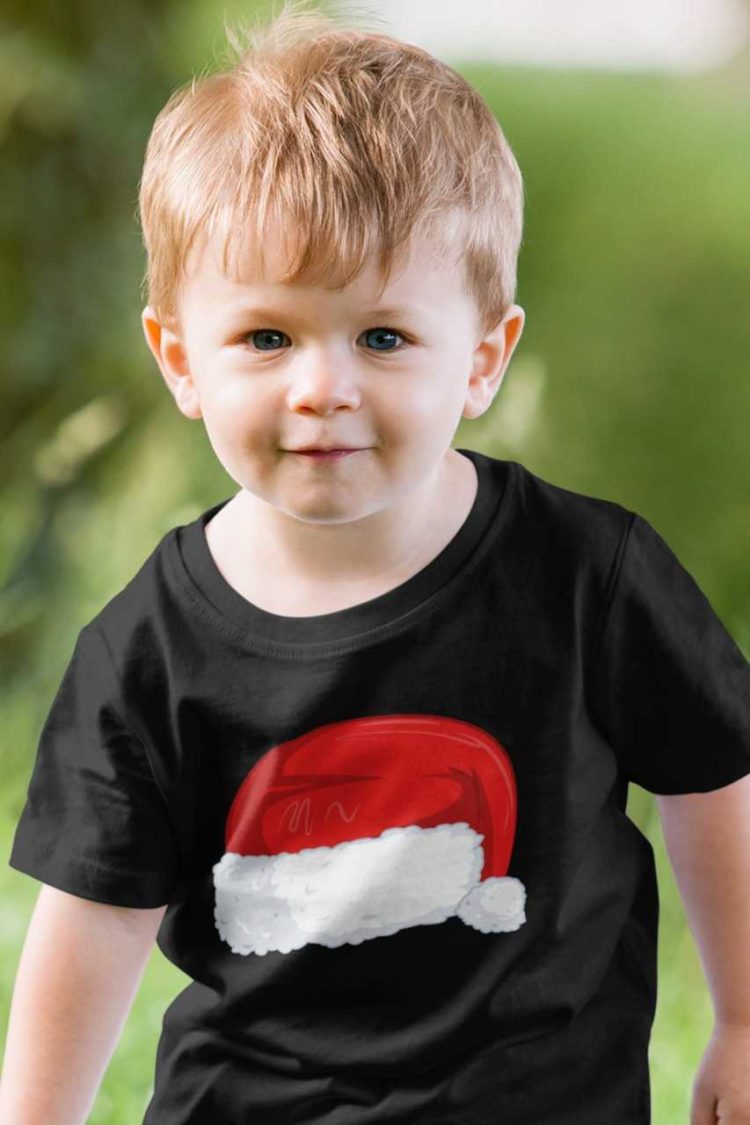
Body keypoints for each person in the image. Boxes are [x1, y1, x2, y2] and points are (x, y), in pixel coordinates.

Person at [3, 1, 750, 1122]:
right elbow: (93, 915)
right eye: (266, 336)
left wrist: (741, 1020)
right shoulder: (149, 645)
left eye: (384, 337)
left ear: (483, 359)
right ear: (180, 359)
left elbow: (713, 779)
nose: (323, 387)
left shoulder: (588, 575)